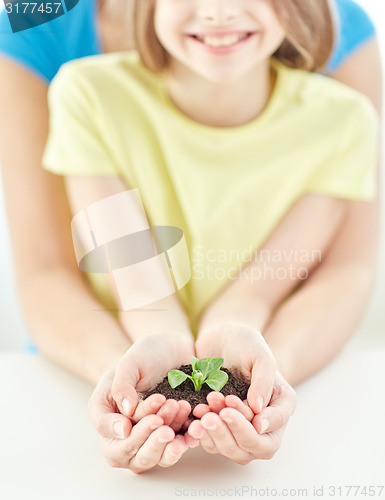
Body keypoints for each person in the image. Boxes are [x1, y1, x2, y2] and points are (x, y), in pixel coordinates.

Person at [0, 0, 381, 474]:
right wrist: (139, 371)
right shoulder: (87, 95)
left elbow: (262, 288)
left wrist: (255, 370)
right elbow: (138, 286)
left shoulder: (343, 122)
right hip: (63, 393)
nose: (218, 12)